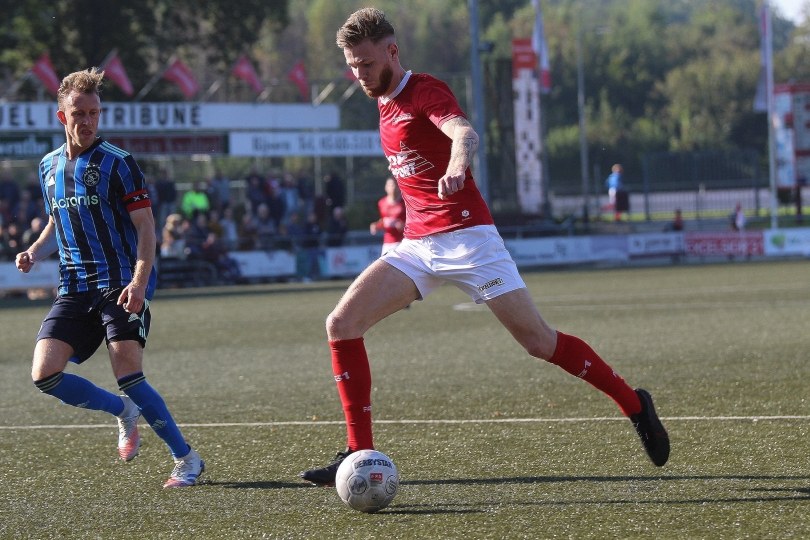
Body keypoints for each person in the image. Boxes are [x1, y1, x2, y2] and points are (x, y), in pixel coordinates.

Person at [299, 8, 670, 486]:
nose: (359, 74)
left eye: (366, 64)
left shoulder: (424, 90)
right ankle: (358, 452)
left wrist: (458, 163)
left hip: (470, 239)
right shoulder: (383, 102)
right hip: (417, 246)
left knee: (539, 342)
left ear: (392, 51)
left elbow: (462, 131)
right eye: (352, 66)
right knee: (341, 324)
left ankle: (634, 403)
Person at [14, 68, 204, 488]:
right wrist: (34, 250)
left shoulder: (118, 163)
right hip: (73, 287)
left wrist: (139, 282)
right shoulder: (47, 166)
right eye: (78, 113)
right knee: (44, 374)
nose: (87, 121)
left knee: (129, 374)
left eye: (94, 113)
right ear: (62, 117)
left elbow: (146, 227)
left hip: (119, 282)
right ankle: (122, 411)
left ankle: (187, 459)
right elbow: (57, 221)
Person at [370, 177, 405, 255]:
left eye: (393, 185)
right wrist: (376, 226)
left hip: (402, 242)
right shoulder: (381, 203)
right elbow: (383, 221)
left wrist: (403, 226)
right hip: (387, 243)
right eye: (389, 185)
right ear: (385, 187)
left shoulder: (405, 202)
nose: (392, 187)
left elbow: (413, 222)